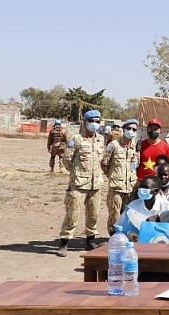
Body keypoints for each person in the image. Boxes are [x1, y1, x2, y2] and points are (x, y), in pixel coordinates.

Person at [57, 110, 106, 256]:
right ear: (85, 122)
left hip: (95, 184)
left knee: (94, 214)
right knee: (72, 214)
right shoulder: (76, 139)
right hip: (78, 184)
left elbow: (102, 160)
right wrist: (75, 174)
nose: (94, 124)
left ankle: (90, 241)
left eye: (97, 121)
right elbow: (67, 159)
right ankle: (64, 243)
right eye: (92, 121)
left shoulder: (101, 140)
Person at [101, 118, 140, 235]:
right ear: (123, 129)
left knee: (126, 214)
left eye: (134, 129)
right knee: (115, 214)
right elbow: (104, 163)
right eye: (129, 128)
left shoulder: (134, 146)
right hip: (116, 187)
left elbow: (135, 165)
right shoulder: (114, 145)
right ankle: (113, 237)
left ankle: (123, 236)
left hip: (130, 187)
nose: (131, 131)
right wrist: (113, 176)